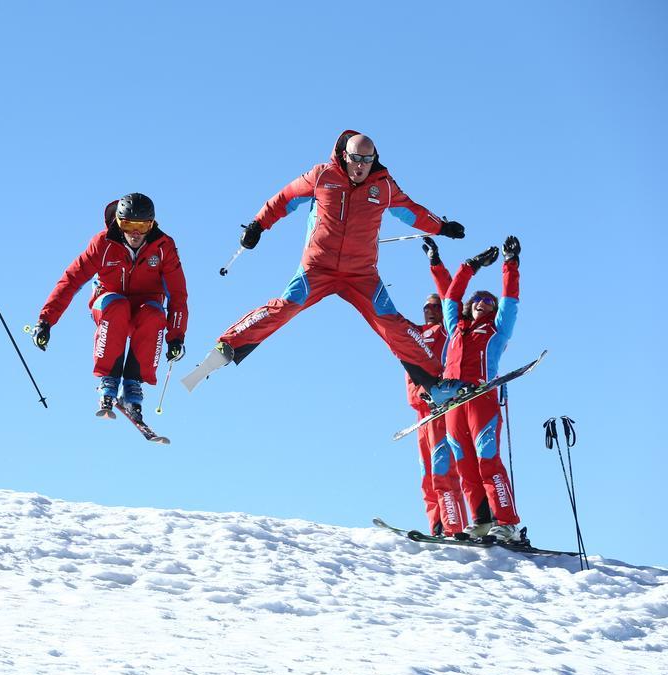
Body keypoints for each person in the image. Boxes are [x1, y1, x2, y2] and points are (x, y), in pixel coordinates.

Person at [184, 130, 469, 405]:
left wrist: (441, 227)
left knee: (389, 322)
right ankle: (226, 347)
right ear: (345, 156)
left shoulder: (383, 186)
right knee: (286, 307)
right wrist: (258, 225)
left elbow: (410, 210)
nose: (361, 167)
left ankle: (434, 385)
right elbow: (285, 199)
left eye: (367, 161)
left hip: (361, 274)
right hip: (317, 268)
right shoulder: (322, 175)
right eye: (356, 159)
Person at [30, 193, 188, 416]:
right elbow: (71, 279)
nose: (135, 233)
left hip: (145, 309)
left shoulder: (164, 248)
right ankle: (109, 381)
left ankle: (133, 385)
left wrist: (176, 337)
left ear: (152, 225)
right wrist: (46, 320)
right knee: (118, 306)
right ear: (118, 223)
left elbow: (178, 295)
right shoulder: (103, 244)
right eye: (128, 224)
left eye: (142, 227)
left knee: (154, 314)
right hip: (109, 304)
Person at [439, 235, 523, 541]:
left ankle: (507, 522)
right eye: (478, 300)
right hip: (452, 402)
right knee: (464, 463)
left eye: (489, 302)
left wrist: (510, 264)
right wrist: (469, 266)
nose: (483, 304)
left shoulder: (497, 330)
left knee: (488, 458)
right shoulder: (456, 327)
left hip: (481, 396)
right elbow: (450, 297)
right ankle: (482, 520)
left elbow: (510, 299)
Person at [409, 237, 467, 537]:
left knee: (444, 466)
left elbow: (449, 294)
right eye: (426, 307)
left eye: (434, 307)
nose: (429, 311)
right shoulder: (413, 333)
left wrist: (435, 261)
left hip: (442, 404)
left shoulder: (447, 331)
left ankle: (455, 524)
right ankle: (437, 525)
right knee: (426, 473)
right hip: (421, 410)